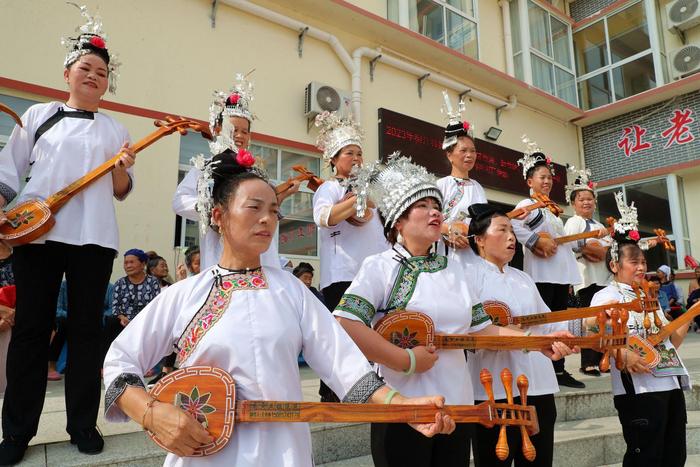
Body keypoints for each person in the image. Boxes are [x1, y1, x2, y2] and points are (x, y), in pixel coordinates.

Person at [103, 147, 455, 466]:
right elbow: (119, 361)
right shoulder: (184, 294)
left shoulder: (291, 290)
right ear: (218, 216)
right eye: (253, 208)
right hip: (205, 453)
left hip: (284, 452)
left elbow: (342, 363)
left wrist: (403, 406)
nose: (267, 219)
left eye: (274, 210)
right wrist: (150, 412)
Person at [333, 155, 573, 467]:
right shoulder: (379, 267)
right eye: (422, 206)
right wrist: (404, 360)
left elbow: (482, 329)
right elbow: (345, 322)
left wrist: (537, 341)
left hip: (457, 408)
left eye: (436, 205)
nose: (434, 211)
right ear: (398, 221)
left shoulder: (454, 269)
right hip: (404, 407)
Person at [0, 6, 135, 462]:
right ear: (68, 74)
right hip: (38, 234)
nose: (93, 76)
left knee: (84, 332)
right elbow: (8, 171)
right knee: (31, 332)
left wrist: (121, 170)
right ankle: (16, 433)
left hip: (94, 238)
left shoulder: (116, 128)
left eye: (101, 72)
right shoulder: (39, 115)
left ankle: (82, 424)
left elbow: (120, 191)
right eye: (85, 68)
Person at [465, 204, 572, 467]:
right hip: (494, 388)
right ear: (479, 239)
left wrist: (564, 335)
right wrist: (528, 339)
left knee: (539, 459)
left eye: (513, 230)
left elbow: (545, 323)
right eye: (502, 230)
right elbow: (473, 328)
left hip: (539, 385)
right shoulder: (467, 277)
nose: (512, 237)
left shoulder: (524, 278)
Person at [591, 192, 690, 467]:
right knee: (645, 457)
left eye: (643, 262)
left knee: (674, 456)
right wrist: (621, 352)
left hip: (670, 384)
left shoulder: (650, 296)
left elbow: (670, 344)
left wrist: (687, 317)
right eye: (634, 261)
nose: (641, 267)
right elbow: (599, 339)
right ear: (614, 265)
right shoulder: (605, 297)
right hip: (638, 391)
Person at [172, 74, 300, 271]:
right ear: (218, 130)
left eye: (245, 131)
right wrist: (214, 209)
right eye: (233, 129)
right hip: (220, 252)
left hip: (261, 256)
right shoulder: (205, 168)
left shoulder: (257, 172)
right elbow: (179, 201)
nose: (239, 135)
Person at [312, 111, 387, 402]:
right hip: (342, 273)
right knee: (342, 337)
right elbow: (324, 217)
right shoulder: (329, 188)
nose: (356, 158)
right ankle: (331, 395)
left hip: (374, 274)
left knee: (373, 335)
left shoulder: (372, 191)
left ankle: (370, 393)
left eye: (359, 153)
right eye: (349, 153)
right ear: (334, 159)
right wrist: (357, 197)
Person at [511, 138, 584, 389]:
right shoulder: (527, 205)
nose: (547, 181)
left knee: (560, 320)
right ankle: (543, 366)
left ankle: (559, 368)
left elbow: (563, 242)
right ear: (529, 182)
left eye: (549, 178)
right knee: (544, 320)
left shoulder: (552, 210)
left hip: (560, 274)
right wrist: (534, 241)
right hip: (542, 274)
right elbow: (513, 225)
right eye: (541, 177)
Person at [563, 166, 611, 377]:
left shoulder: (600, 224)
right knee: (588, 321)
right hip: (585, 277)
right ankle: (587, 362)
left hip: (602, 277)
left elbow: (607, 249)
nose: (586, 202)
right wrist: (589, 245)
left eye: (589, 199)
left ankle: (603, 359)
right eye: (581, 199)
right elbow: (569, 246)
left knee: (603, 319)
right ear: (573, 203)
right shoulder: (573, 222)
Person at [435, 92, 486, 264]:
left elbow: (484, 222)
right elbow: (429, 219)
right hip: (449, 255)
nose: (469, 155)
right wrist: (448, 230)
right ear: (449, 155)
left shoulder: (478, 187)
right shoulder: (441, 185)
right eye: (463, 151)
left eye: (472, 151)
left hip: (475, 256)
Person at [102, 249, 161, 368]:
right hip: (123, 320)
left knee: (153, 325)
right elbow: (115, 306)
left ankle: (147, 365)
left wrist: (140, 320)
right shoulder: (120, 283)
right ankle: (105, 364)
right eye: (126, 263)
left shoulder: (152, 282)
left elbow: (155, 305)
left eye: (131, 262)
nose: (128, 266)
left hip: (145, 320)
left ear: (143, 264)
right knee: (110, 322)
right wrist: (122, 317)